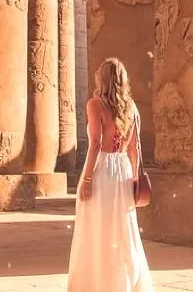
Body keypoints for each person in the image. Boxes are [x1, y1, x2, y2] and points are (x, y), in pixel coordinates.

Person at [67, 57, 153, 291]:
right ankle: (124, 282)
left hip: (103, 168)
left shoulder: (96, 105)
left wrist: (86, 179)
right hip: (123, 168)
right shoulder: (131, 107)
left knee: (97, 227)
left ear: (101, 79)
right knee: (123, 227)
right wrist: (134, 179)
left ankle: (96, 284)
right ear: (123, 80)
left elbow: (95, 143)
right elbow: (134, 147)